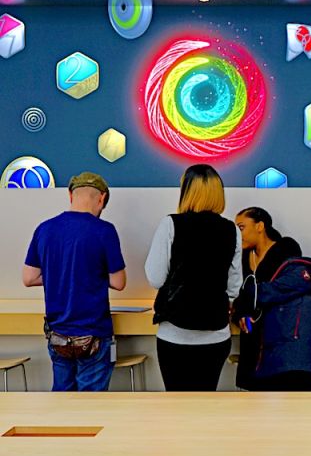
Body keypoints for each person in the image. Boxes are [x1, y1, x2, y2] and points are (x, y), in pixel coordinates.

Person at [22, 172, 126, 391]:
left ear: (70, 195)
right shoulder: (105, 231)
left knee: (62, 403)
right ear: (102, 198)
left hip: (58, 335)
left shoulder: (45, 229)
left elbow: (29, 278)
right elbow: (118, 282)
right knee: (91, 406)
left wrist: (59, 274)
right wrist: (91, 275)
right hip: (93, 334)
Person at [145, 164, 242, 391]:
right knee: (205, 404)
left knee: (177, 406)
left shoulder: (171, 224)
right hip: (216, 335)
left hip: (175, 335)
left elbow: (155, 278)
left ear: (186, 191)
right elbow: (234, 287)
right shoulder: (231, 230)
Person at [231, 207, 311, 391]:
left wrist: (251, 298)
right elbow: (238, 292)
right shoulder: (243, 258)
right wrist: (242, 310)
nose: (238, 234)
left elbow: (286, 288)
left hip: (280, 334)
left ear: (260, 226)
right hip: (255, 339)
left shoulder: (286, 248)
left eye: (241, 227)